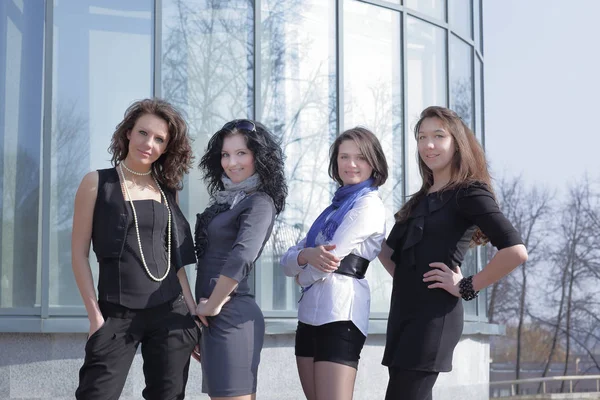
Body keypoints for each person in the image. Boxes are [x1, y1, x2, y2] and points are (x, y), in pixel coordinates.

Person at [377, 106, 528, 400]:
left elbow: (515, 251)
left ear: (456, 142)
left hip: (434, 316)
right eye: (421, 137)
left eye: (438, 136)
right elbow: (389, 254)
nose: (428, 145)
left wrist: (466, 286)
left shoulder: (470, 192)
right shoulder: (420, 199)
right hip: (403, 313)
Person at [71, 98, 199, 400]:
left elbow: (175, 259)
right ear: (128, 132)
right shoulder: (96, 183)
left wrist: (191, 313)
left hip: (170, 311)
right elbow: (78, 255)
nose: (149, 143)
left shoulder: (168, 190)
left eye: (159, 139)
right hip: (116, 314)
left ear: (166, 147)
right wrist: (95, 318)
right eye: (143, 133)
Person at [280, 127, 389, 400]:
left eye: (360, 157)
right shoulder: (331, 210)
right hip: (308, 316)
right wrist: (305, 257)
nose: (351, 164)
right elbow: (287, 262)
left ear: (374, 162)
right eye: (344, 157)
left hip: (341, 314)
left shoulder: (369, 206)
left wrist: (301, 273)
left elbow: (330, 258)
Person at [193, 119, 287, 400]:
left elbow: (242, 255)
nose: (231, 162)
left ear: (259, 156)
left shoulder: (259, 202)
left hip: (231, 314)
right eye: (225, 154)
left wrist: (212, 304)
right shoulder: (227, 200)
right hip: (213, 316)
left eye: (241, 153)